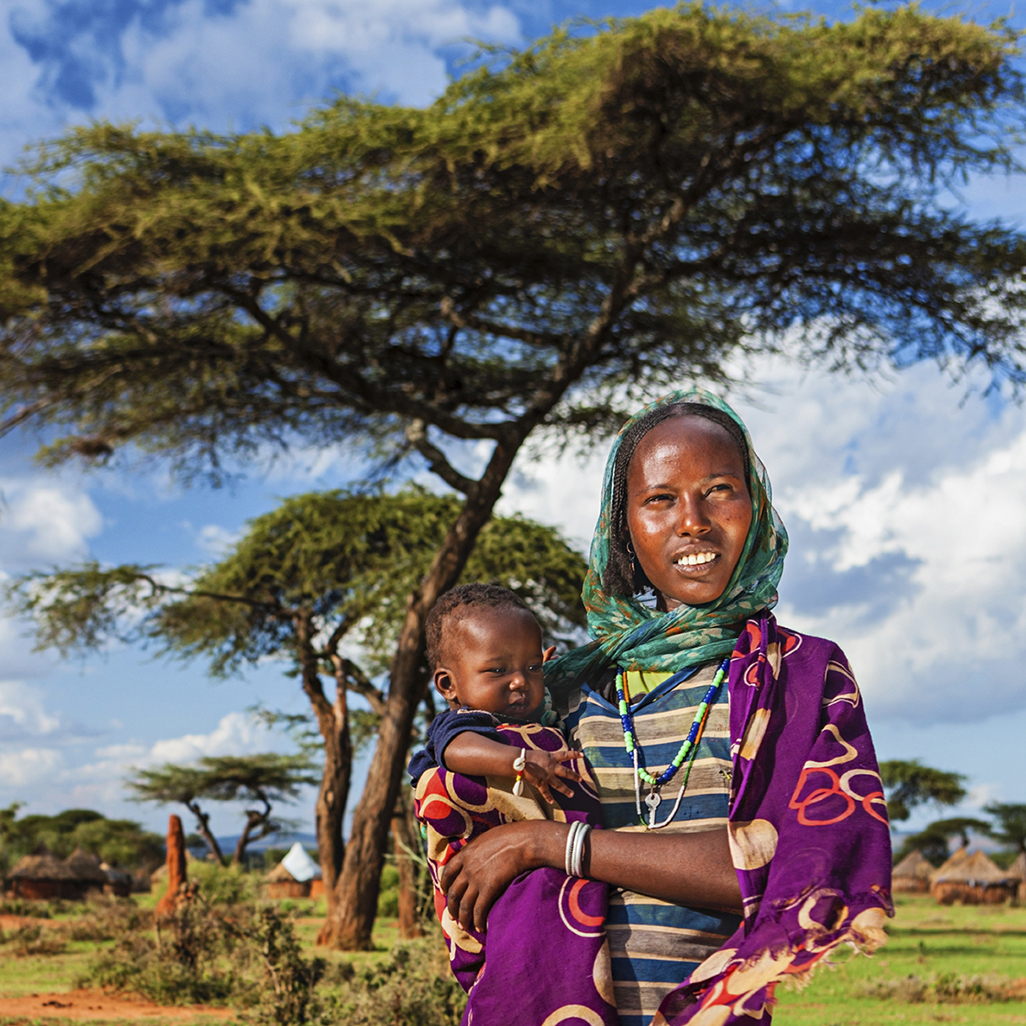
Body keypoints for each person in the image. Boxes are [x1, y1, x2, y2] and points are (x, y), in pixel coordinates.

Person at [437, 389, 893, 1026]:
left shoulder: (798, 676)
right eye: (659, 498)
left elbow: (785, 866)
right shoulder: (560, 689)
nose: (693, 521)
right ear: (624, 526)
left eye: (719, 490)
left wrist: (548, 844)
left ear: (755, 508)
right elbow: (465, 820)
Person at [409, 584, 619, 1026]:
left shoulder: (541, 720)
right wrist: (522, 761)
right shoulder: (462, 724)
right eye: (497, 670)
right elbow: (457, 753)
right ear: (449, 684)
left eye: (532, 667)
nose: (520, 681)